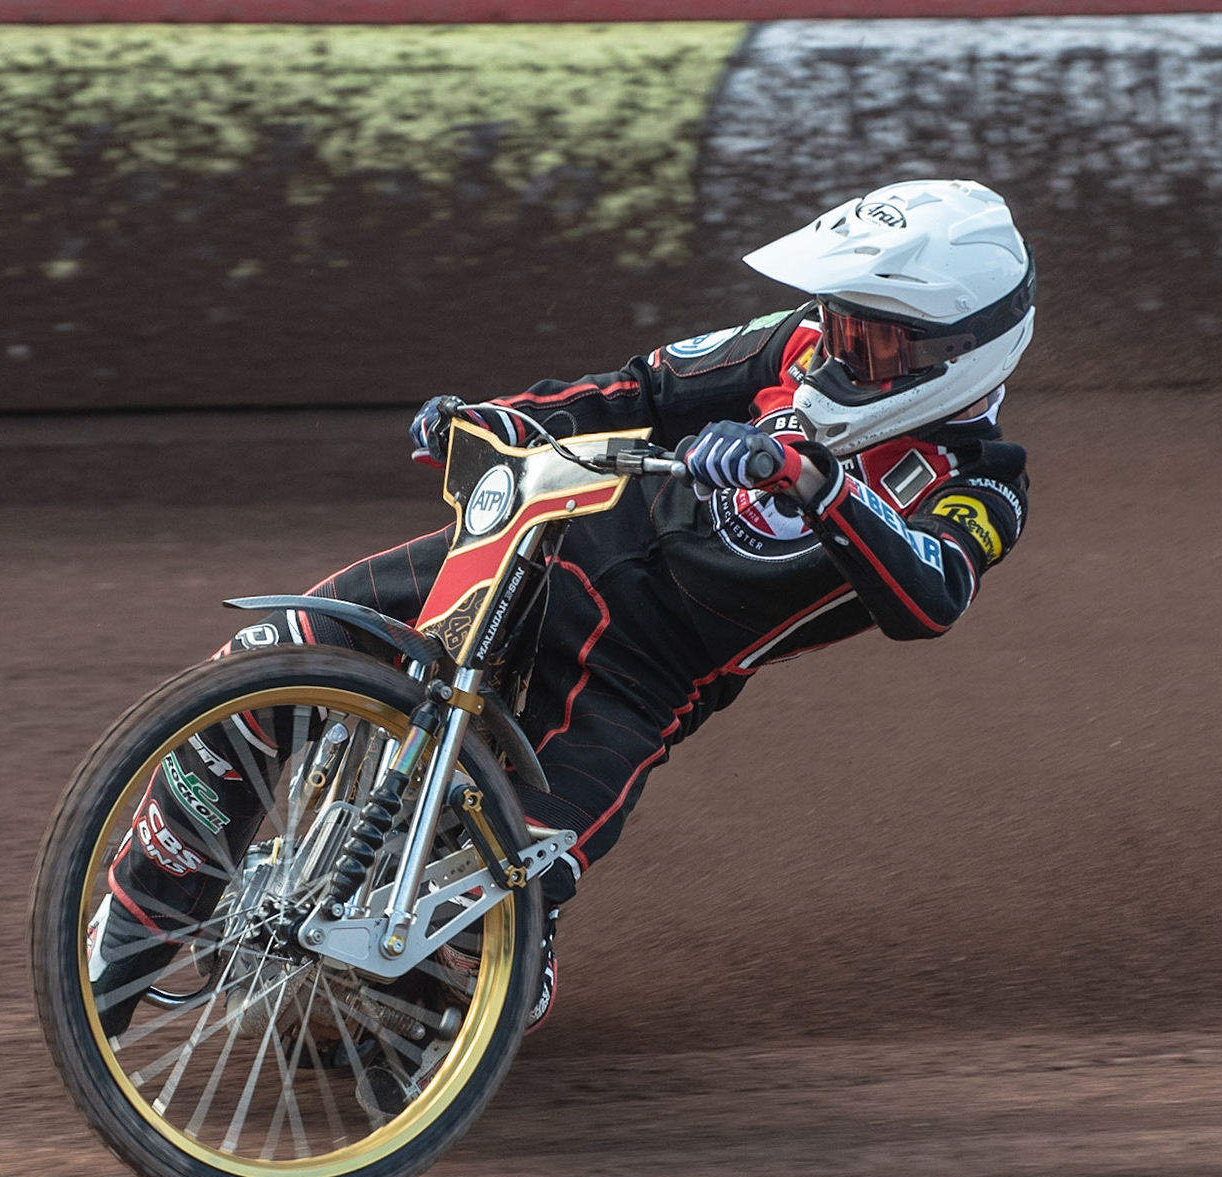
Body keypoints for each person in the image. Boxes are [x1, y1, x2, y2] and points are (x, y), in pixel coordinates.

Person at [88, 178, 1036, 1041]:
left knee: (503, 900)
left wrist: (814, 480)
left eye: (870, 335)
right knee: (272, 657)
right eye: (835, 319)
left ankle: (432, 1021)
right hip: (541, 553)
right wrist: (508, 419)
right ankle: (128, 931)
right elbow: (645, 387)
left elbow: (933, 595)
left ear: (959, 352)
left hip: (637, 679)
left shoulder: (983, 486)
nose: (835, 346)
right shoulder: (791, 343)